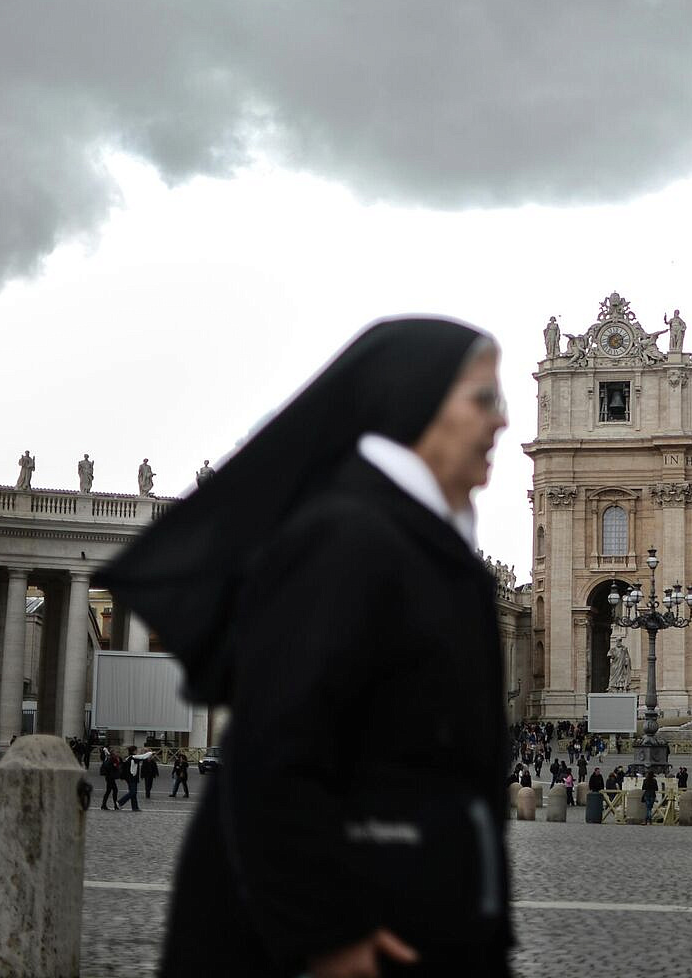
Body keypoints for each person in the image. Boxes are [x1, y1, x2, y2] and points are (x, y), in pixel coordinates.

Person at [99, 318, 515, 975]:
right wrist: (325, 935)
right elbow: (276, 751)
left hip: (409, 924)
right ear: (417, 400)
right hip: (328, 945)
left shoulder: (423, 540)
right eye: (484, 399)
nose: (503, 422)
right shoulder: (343, 537)